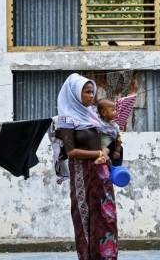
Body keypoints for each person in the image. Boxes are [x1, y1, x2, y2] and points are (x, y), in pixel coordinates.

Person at [57, 73, 119, 260]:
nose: (91, 96)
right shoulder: (67, 119)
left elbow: (101, 143)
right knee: (85, 217)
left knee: (106, 217)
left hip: (101, 174)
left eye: (93, 92)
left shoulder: (91, 117)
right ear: (75, 94)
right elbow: (71, 152)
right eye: (87, 92)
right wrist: (98, 154)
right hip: (82, 174)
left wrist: (105, 152)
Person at [96, 99, 123, 167]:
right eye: (112, 110)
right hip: (101, 152)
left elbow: (118, 138)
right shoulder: (98, 124)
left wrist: (117, 150)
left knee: (114, 168)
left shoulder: (115, 126)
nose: (115, 112)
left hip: (112, 151)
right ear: (103, 113)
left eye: (115, 110)